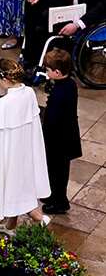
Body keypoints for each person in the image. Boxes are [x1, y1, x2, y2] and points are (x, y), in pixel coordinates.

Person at [0, 58, 50, 235]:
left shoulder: (3, 104)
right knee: (16, 185)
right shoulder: (29, 93)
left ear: (4, 80)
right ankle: (11, 225)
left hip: (10, 154)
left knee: (11, 185)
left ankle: (37, 218)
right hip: (26, 150)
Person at [41, 48, 82, 215]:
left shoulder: (59, 95)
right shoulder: (70, 84)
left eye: (48, 70)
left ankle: (59, 201)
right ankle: (53, 195)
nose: (46, 72)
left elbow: (53, 120)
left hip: (58, 140)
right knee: (57, 171)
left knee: (57, 172)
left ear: (57, 72)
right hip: (67, 136)